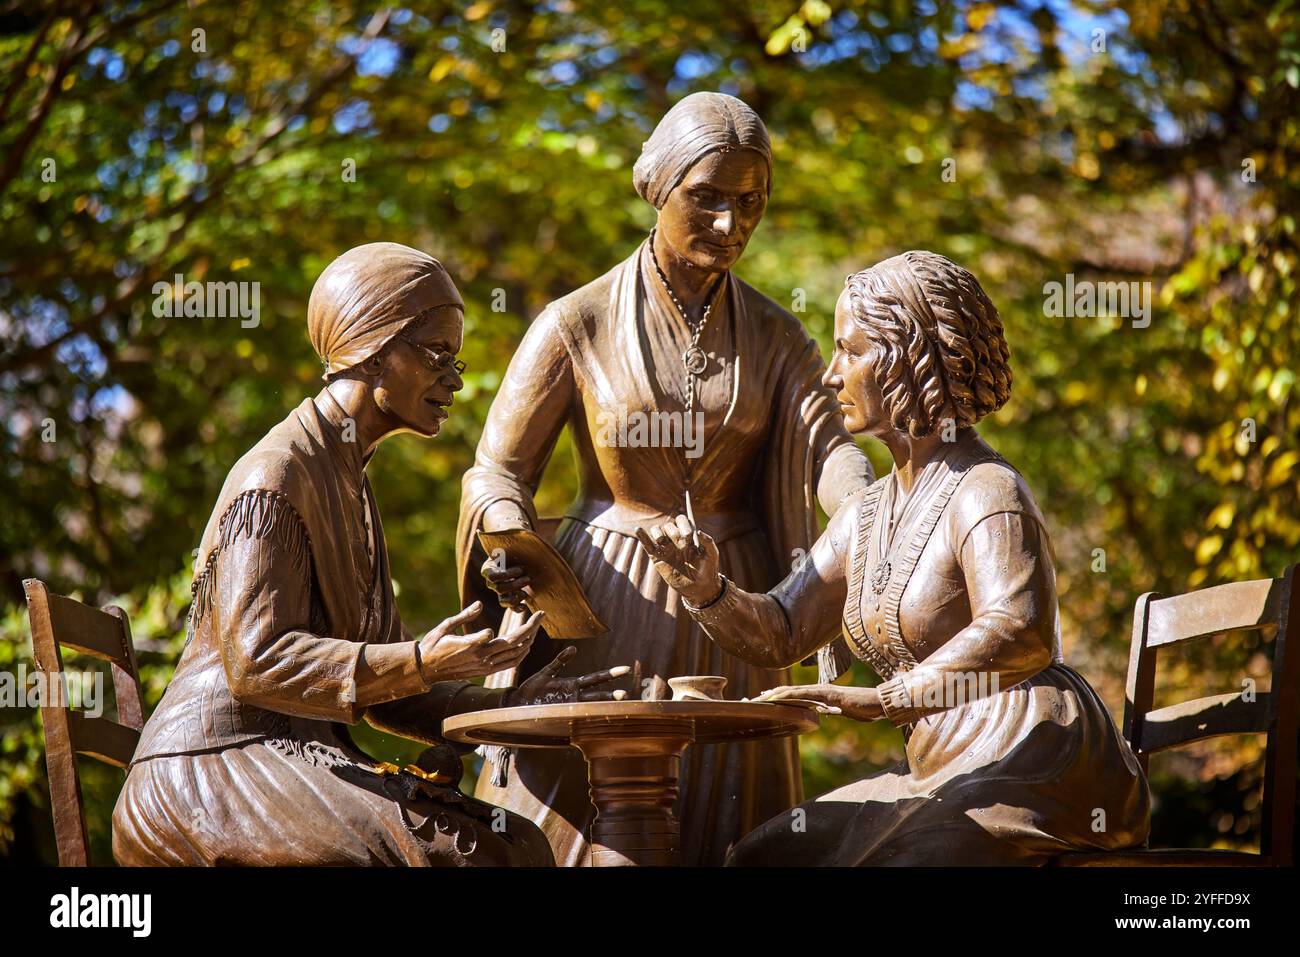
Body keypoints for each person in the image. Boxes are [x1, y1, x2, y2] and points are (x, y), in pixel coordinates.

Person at [455, 92, 874, 865]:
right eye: (707, 198)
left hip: (736, 606)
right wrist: (509, 536)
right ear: (659, 186)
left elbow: (830, 449)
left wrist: (871, 512)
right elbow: (497, 468)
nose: (730, 223)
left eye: (750, 202)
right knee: (580, 827)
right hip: (604, 603)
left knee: (731, 827)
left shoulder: (780, 336)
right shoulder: (573, 323)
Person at [112, 243, 623, 867]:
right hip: (213, 767)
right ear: (371, 349)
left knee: (518, 844)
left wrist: (505, 701)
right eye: (437, 355)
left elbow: (390, 696)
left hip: (297, 753)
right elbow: (256, 662)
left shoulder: (350, 478)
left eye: (456, 360)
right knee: (468, 856)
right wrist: (419, 659)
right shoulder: (276, 476)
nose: (455, 380)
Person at [638, 250, 1151, 865]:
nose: (832, 375)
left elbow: (1021, 632)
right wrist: (708, 590)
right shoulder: (867, 512)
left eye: (850, 352)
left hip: (1034, 756)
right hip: (938, 770)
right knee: (762, 856)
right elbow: (783, 629)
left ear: (912, 360)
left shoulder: (987, 489)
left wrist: (883, 700)